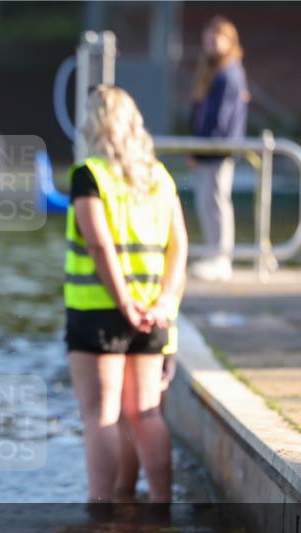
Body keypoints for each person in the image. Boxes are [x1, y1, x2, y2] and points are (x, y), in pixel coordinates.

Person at [65, 85, 189, 504]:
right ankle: (157, 503)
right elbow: (179, 248)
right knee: (146, 413)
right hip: (153, 315)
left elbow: (99, 245)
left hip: (101, 311)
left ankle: (101, 512)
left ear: (94, 126)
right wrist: (165, 302)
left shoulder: (90, 175)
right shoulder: (159, 177)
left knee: (101, 416)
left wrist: (123, 303)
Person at [188, 16, 248, 283]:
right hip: (209, 148)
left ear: (229, 41)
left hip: (218, 149)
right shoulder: (213, 70)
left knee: (216, 201)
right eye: (208, 38)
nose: (211, 43)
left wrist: (200, 149)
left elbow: (220, 120)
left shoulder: (229, 73)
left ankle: (221, 258)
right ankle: (215, 254)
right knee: (207, 200)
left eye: (217, 38)